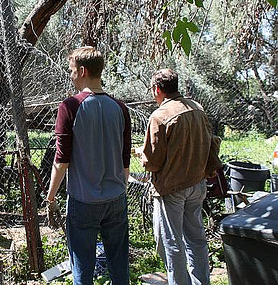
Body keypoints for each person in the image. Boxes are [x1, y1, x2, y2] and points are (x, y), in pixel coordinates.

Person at [46, 46, 131, 285]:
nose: (71, 75)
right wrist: (119, 188)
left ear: (82, 71)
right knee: (119, 265)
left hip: (83, 201)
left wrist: (50, 197)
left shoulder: (70, 106)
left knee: (82, 266)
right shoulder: (120, 108)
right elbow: (125, 160)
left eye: (72, 71)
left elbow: (62, 160)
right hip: (116, 198)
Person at [141, 68, 215, 285]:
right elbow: (210, 141)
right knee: (196, 240)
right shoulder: (197, 108)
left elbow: (153, 162)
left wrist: (142, 157)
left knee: (171, 243)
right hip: (197, 184)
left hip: (172, 189)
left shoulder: (160, 116)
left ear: (157, 89)